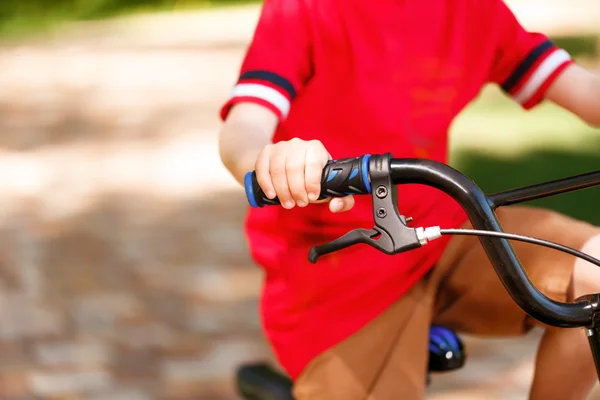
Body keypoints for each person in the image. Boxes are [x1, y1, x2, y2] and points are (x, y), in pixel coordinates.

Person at [218, 0, 600, 398]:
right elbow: (244, 123)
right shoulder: (306, 9)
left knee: (596, 268)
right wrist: (270, 160)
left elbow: (589, 96)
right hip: (338, 270)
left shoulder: (476, 11)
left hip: (443, 231)